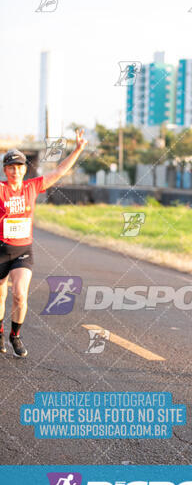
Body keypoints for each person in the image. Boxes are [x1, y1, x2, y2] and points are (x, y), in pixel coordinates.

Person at [0, 129, 88, 357]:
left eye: (19, 167)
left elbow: (59, 172)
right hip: (0, 250)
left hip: (22, 250)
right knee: (0, 296)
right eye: (10, 167)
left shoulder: (31, 187)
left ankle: (15, 336)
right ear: (5, 170)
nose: (15, 171)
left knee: (19, 294)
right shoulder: (1, 189)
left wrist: (77, 149)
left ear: (24, 170)